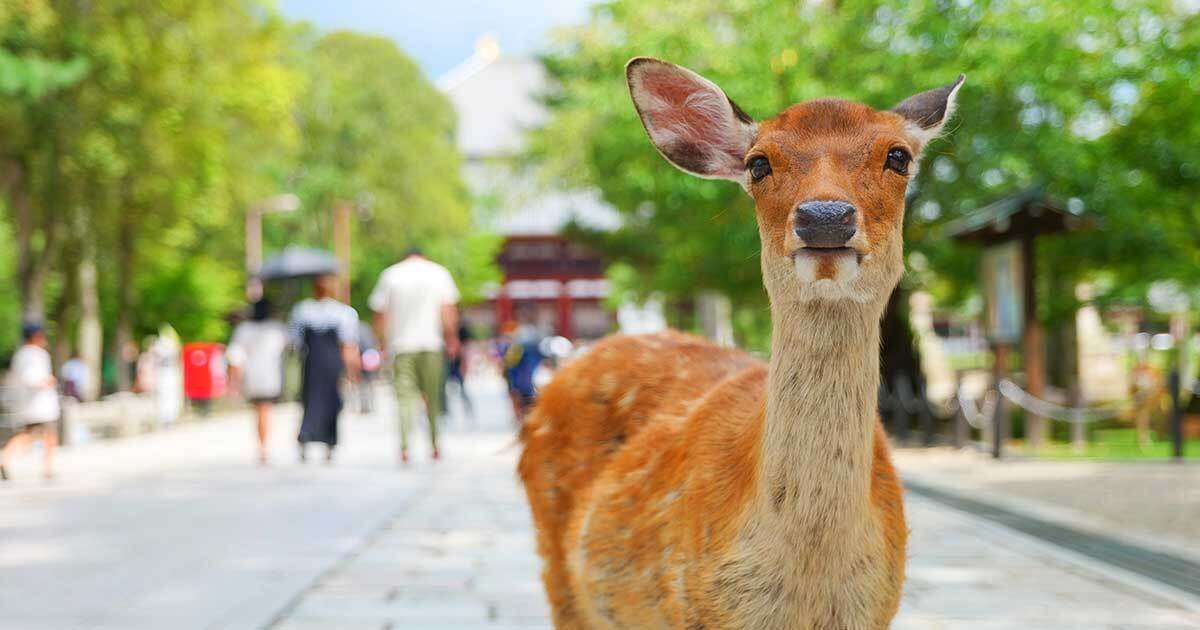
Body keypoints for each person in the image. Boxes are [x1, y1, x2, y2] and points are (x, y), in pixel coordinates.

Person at [369, 248, 460, 464]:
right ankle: (435, 444)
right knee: (433, 396)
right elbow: (447, 311)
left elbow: (381, 313)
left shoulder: (391, 274)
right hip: (431, 344)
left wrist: (381, 343)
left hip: (401, 345)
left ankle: (404, 447)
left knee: (404, 398)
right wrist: (451, 338)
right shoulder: (439, 273)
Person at [289, 274, 359, 463]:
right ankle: (327, 441)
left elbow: (294, 342)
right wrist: (352, 370)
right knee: (330, 401)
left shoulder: (302, 310)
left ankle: (306, 436)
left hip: (311, 362)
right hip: (331, 363)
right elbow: (348, 345)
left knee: (310, 401)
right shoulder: (344, 313)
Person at [228, 299, 289, 465]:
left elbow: (236, 357)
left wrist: (234, 381)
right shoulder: (276, 329)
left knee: (260, 411)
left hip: (252, 377)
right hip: (271, 376)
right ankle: (264, 445)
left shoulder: (244, 330)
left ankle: (262, 446)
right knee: (264, 410)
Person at [1, 323, 60, 481]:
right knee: (44, 435)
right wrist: (47, 381)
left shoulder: (20, 354)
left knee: (30, 435)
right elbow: (31, 378)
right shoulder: (35, 354)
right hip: (39, 405)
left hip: (30, 404)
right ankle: (47, 468)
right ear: (36, 336)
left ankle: (5, 458)